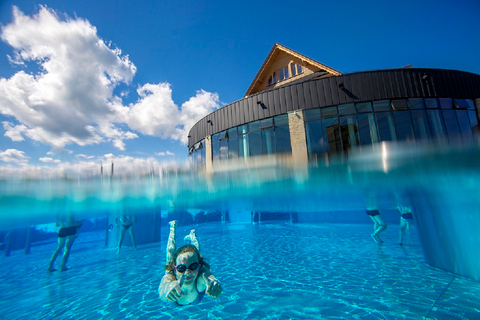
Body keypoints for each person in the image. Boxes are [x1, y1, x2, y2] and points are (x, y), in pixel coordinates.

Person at [158, 221, 222, 306]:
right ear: (175, 268)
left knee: (196, 253)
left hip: (197, 263)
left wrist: (213, 282)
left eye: (193, 266)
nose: (187, 273)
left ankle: (193, 236)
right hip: (174, 274)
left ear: (199, 266)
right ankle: (173, 227)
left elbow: (207, 276)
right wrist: (169, 288)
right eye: (181, 268)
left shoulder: (200, 276)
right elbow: (163, 289)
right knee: (171, 251)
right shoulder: (170, 276)